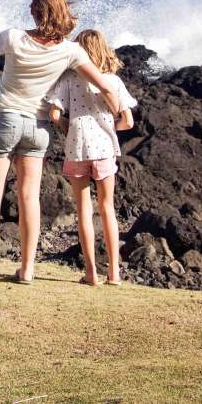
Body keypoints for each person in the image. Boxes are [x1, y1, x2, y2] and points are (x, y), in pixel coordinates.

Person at [0, 0, 121, 284]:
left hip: (5, 118)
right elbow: (105, 85)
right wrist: (116, 115)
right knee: (29, 197)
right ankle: (27, 270)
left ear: (35, 11)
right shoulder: (71, 51)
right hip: (38, 128)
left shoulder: (12, 37)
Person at [45, 29, 137, 286]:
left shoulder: (70, 79)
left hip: (77, 149)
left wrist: (69, 127)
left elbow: (54, 114)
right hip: (105, 149)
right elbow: (127, 122)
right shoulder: (114, 82)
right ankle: (115, 273)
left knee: (83, 210)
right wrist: (107, 128)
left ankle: (91, 272)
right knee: (108, 209)